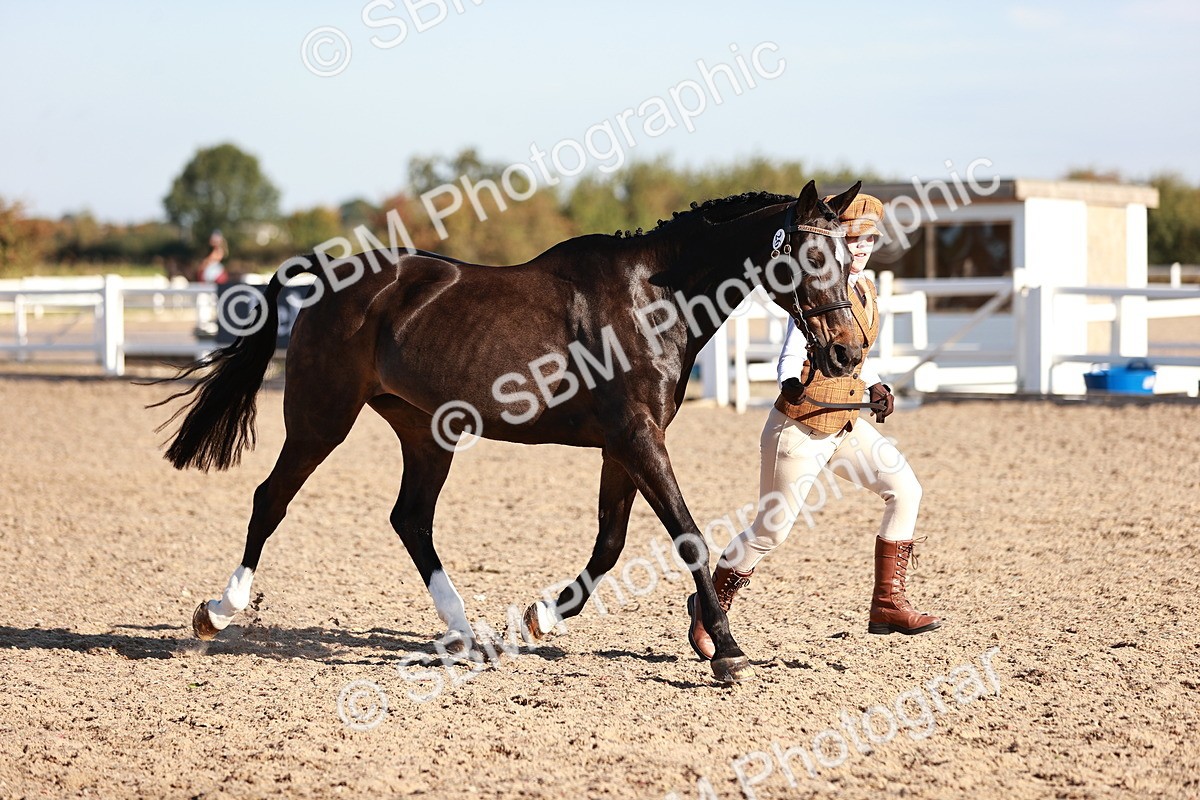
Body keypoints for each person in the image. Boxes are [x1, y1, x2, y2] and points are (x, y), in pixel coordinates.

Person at [688, 193, 941, 661]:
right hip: (800, 429)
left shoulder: (865, 291)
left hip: (844, 423)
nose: (862, 247)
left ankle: (887, 603)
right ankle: (709, 606)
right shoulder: (818, 289)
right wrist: (790, 381)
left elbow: (856, 354)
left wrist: (876, 384)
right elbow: (790, 351)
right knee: (771, 531)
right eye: (854, 238)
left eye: (869, 239)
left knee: (905, 489)